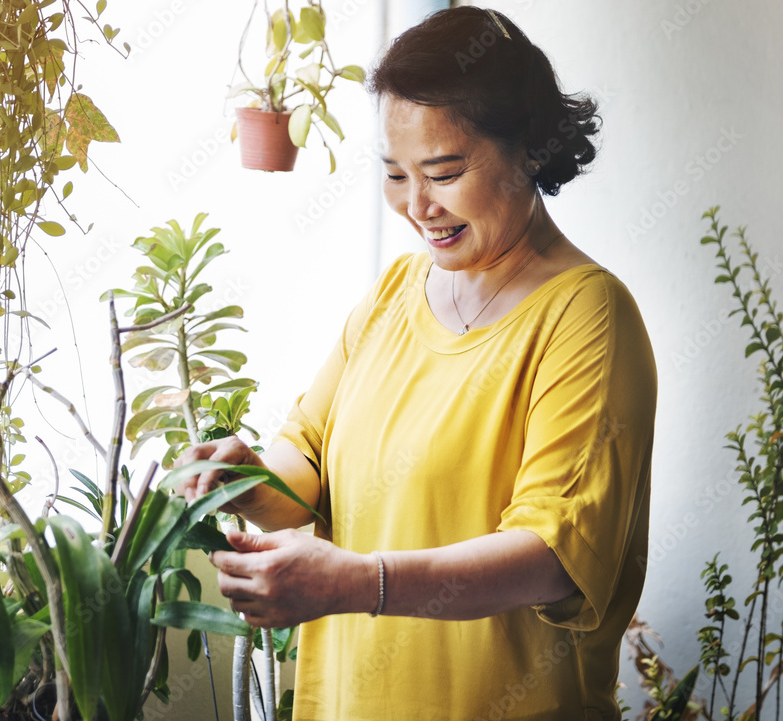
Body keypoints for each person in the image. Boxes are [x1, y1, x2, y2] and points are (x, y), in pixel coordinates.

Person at [176, 7, 656, 720]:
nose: (417, 206)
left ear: (527, 148)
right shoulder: (396, 294)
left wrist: (358, 583)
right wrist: (241, 480)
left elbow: (552, 556)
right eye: (396, 174)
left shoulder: (587, 316)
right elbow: (307, 461)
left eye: (444, 171)